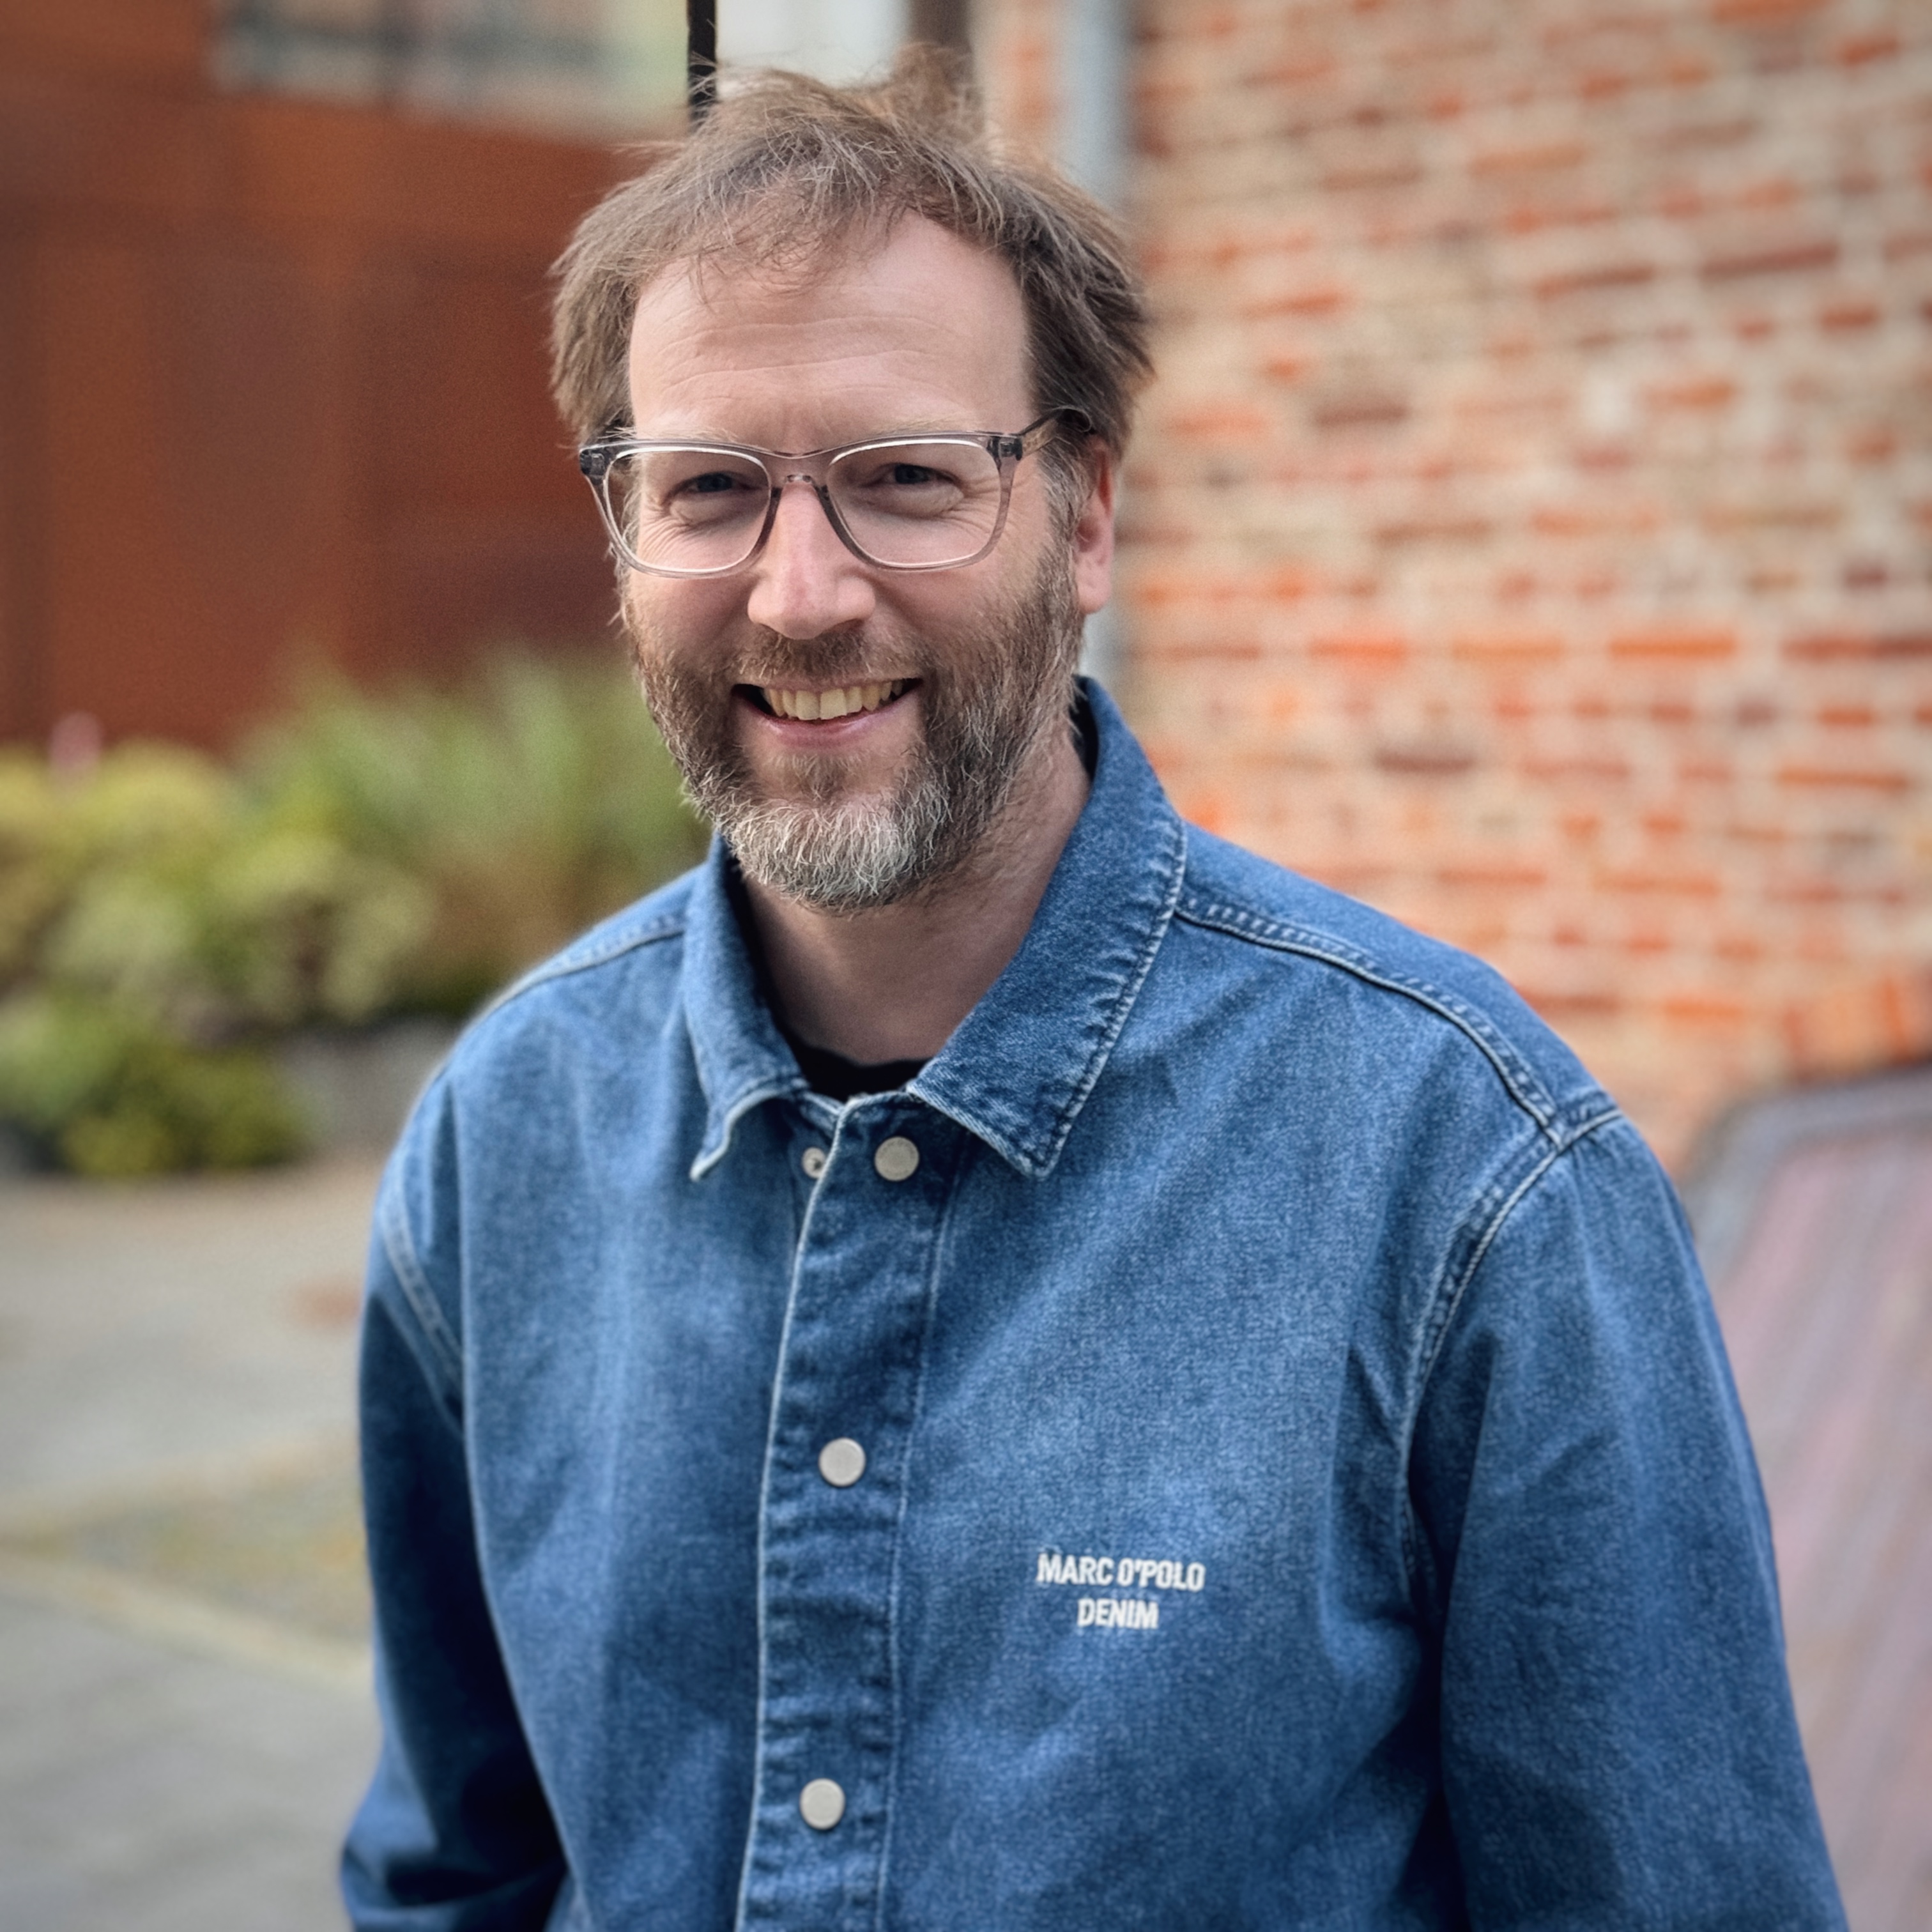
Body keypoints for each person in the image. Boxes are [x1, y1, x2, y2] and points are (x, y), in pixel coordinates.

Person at [342, 53, 1845, 1931]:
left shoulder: (1470, 1183)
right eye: (710, 490)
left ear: (1089, 518)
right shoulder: (506, 1132)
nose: (800, 593)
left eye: (904, 480)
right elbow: (456, 1872)